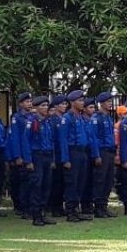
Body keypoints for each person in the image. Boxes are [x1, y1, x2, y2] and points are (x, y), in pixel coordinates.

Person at [60, 89, 95, 222]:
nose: (82, 103)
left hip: (82, 152)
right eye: (80, 100)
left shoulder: (79, 117)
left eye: (82, 100)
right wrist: (65, 159)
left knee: (81, 182)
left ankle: (76, 209)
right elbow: (63, 140)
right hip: (72, 152)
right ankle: (70, 211)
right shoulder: (67, 118)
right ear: (72, 102)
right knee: (72, 183)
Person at [27, 95, 57, 227]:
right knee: (37, 185)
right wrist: (28, 160)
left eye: (46, 106)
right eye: (42, 106)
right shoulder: (32, 121)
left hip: (47, 155)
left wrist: (53, 159)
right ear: (36, 108)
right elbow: (26, 141)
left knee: (46, 185)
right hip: (36, 156)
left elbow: (51, 141)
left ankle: (43, 213)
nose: (45, 108)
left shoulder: (48, 122)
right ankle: (36, 215)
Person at [90, 91, 117, 218]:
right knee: (100, 180)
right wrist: (96, 155)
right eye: (108, 102)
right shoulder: (96, 118)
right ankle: (98, 207)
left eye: (111, 101)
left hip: (110, 151)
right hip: (102, 152)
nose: (110, 104)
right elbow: (94, 138)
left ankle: (104, 206)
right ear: (101, 103)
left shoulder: (108, 118)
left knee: (108, 180)